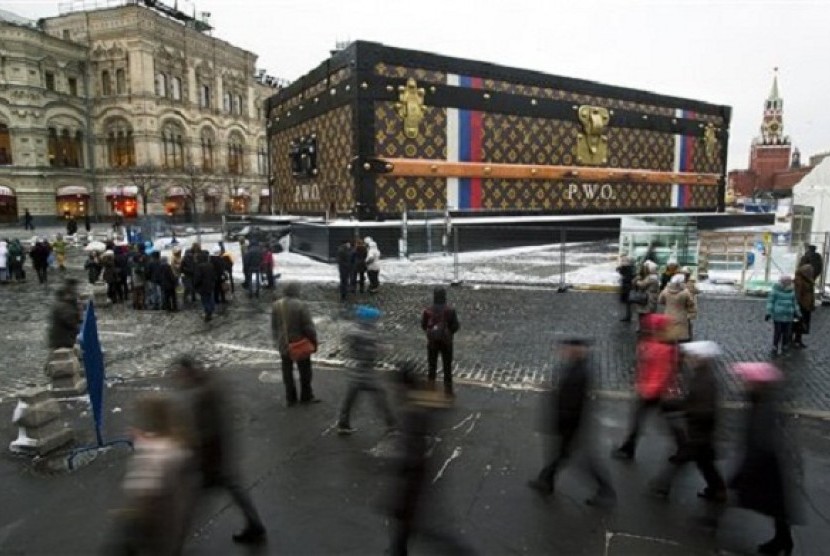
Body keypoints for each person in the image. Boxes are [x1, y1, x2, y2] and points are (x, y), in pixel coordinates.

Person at [171, 355, 267, 544]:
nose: (177, 377)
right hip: (216, 455)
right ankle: (254, 524)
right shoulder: (207, 386)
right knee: (232, 487)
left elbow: (207, 430)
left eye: (180, 373)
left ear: (188, 371)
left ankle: (175, 542)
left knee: (192, 500)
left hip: (210, 456)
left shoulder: (203, 394)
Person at [386, 362, 474, 556]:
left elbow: (412, 448)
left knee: (420, 525)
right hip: (418, 475)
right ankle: (397, 550)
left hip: (413, 478)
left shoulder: (413, 410)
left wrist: (401, 468)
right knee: (409, 524)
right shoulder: (421, 401)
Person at [527, 338, 616, 508]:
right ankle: (545, 481)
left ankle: (605, 491)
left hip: (570, 425)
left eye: (568, 348)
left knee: (578, 459)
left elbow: (572, 403)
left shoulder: (579, 373)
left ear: (577, 350)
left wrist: (561, 423)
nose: (564, 351)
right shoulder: (575, 367)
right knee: (561, 455)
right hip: (569, 423)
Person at [729, 362, 801, 556]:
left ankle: (783, 541)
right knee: (776, 507)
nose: (744, 384)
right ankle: (783, 540)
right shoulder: (760, 402)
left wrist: (746, 468)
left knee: (774, 505)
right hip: (767, 463)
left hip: (765, 464)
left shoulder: (763, 406)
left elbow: (760, 439)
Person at [111, 393, 194, 555]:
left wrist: (131, 513)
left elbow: (146, 494)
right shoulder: (175, 444)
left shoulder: (154, 453)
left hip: (151, 524)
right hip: (170, 521)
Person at [648, 341, 727, 503]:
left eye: (692, 357)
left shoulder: (704, 380)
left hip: (699, 431)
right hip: (701, 431)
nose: (689, 360)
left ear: (701, 358)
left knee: (682, 458)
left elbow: (701, 407)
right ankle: (718, 490)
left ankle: (662, 487)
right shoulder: (702, 375)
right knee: (704, 463)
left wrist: (680, 407)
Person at [613, 314, 679, 460]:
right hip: (653, 391)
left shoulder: (660, 348)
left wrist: (648, 389)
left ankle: (628, 448)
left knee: (642, 420)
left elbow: (660, 372)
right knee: (661, 421)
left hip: (652, 392)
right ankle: (628, 447)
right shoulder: (658, 345)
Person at [336, 305, 396, 435]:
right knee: (380, 396)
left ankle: (343, 423)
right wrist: (383, 348)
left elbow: (347, 343)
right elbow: (371, 351)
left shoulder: (353, 329)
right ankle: (391, 424)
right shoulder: (367, 334)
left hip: (353, 371)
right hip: (365, 373)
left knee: (350, 399)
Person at [271, 282, 319, 406]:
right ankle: (306, 396)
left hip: (284, 344)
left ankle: (290, 398)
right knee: (305, 371)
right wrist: (314, 341)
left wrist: (277, 341)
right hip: (300, 343)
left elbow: (274, 326)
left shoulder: (277, 305)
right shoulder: (301, 306)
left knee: (287, 371)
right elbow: (308, 327)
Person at [421, 287, 461, 396]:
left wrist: (433, 333)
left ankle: (431, 390)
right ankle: (448, 392)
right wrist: (448, 333)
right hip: (446, 343)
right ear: (444, 297)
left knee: (432, 367)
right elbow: (456, 326)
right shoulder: (450, 310)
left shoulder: (427, 311)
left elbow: (424, 326)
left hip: (432, 343)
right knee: (447, 367)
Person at [766, 275, 800, 357]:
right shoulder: (775, 291)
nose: (788, 283)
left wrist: (798, 313)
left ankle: (784, 347)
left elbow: (794, 304)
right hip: (778, 316)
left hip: (788, 316)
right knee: (778, 332)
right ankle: (775, 347)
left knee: (786, 333)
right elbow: (770, 302)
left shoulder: (792, 292)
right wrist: (768, 312)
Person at [658, 273, 697, 342]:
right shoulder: (685, 292)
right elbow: (690, 303)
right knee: (681, 339)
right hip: (681, 317)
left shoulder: (666, 290)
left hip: (668, 316)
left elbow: (660, 301)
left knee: (670, 338)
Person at [47, 278, 81, 350]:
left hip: (60, 338)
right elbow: (71, 322)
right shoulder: (64, 306)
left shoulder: (63, 303)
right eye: (75, 288)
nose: (76, 291)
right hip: (63, 340)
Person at [632, 260, 660, 326]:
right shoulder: (654, 276)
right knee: (646, 312)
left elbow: (642, 285)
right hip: (649, 297)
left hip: (648, 297)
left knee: (645, 312)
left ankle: (644, 326)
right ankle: (645, 326)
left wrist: (637, 281)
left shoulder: (652, 278)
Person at [792, 262, 814, 348]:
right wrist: (796, 305)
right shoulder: (800, 280)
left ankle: (798, 339)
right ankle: (795, 340)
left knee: (802, 323)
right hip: (801, 305)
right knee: (798, 323)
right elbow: (797, 294)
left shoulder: (808, 280)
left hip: (806, 305)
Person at [194, 250, 217, 322]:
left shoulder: (199, 266)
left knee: (205, 300)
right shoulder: (210, 265)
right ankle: (211, 309)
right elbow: (214, 275)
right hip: (210, 285)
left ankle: (208, 312)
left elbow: (198, 277)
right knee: (210, 297)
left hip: (203, 287)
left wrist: (195, 284)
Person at [616, 255, 635, 322]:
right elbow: (619, 270)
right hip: (627, 288)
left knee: (628, 303)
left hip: (627, 288)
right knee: (628, 303)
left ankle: (628, 317)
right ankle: (628, 316)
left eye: (623, 261)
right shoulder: (628, 268)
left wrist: (621, 267)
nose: (622, 262)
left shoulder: (628, 269)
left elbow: (626, 277)